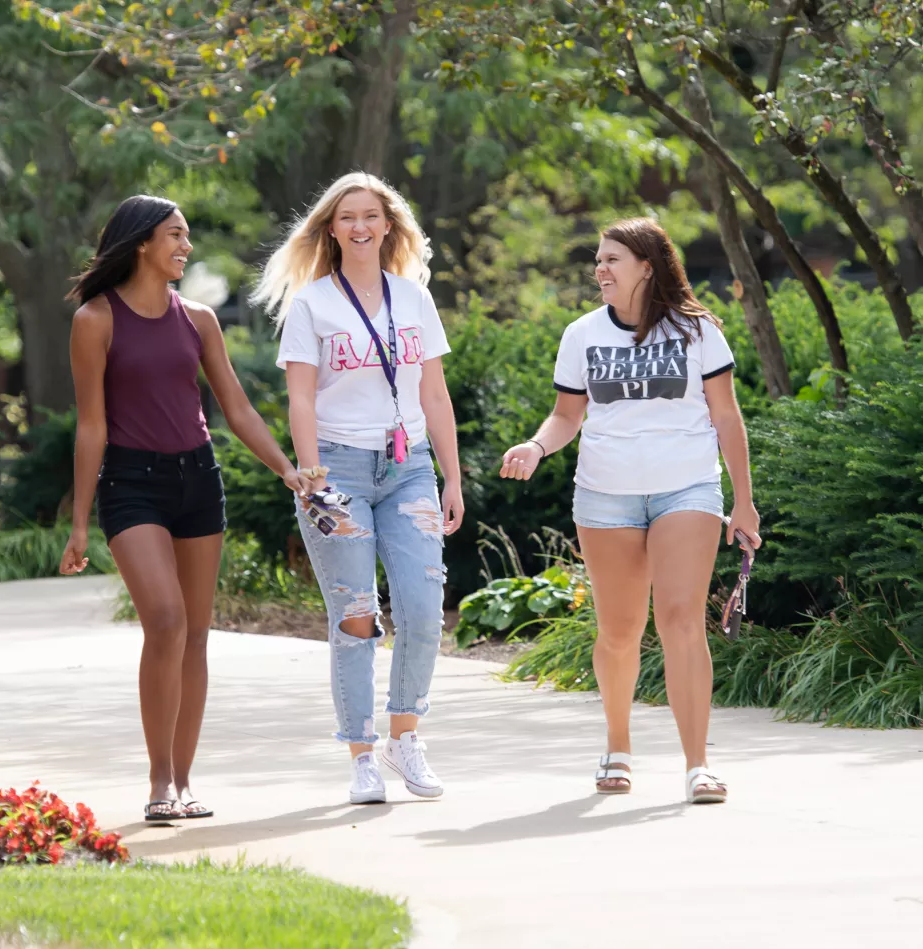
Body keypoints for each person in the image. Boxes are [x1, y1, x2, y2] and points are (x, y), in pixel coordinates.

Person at [58, 194, 311, 822]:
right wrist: (81, 524)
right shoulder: (96, 319)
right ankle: (159, 781)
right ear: (142, 242)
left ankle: (186, 780)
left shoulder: (197, 318)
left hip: (198, 478)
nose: (186, 247)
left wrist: (287, 469)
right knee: (165, 621)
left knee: (196, 635)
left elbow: (237, 406)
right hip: (130, 483)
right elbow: (91, 426)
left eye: (188, 236)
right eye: (176, 235)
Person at [500, 217, 761, 804]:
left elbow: (725, 417)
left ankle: (699, 765)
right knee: (619, 631)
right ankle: (618, 748)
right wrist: (537, 446)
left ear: (648, 265)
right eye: (598, 260)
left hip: (686, 490)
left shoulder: (698, 334)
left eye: (612, 259)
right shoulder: (582, 334)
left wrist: (743, 502)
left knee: (680, 620)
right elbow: (567, 415)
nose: (600, 270)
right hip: (605, 495)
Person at [251, 172, 464, 805]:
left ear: (389, 225)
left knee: (424, 610)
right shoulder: (313, 303)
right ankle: (363, 756)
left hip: (409, 468)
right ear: (332, 229)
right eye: (348, 217)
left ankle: (406, 739)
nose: (361, 226)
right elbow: (299, 397)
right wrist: (312, 476)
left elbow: (434, 392)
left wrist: (452, 476)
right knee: (356, 616)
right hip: (338, 469)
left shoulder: (414, 299)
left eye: (371, 215)